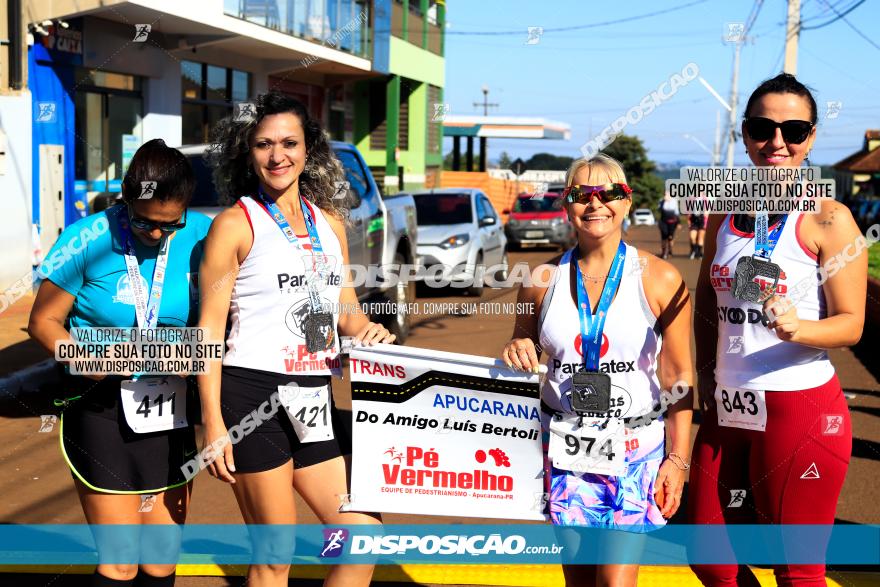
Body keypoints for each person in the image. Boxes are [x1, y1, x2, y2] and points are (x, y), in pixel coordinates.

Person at [198, 90, 391, 586]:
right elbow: (209, 330)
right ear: (249, 152)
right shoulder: (233, 224)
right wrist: (213, 423)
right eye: (264, 144)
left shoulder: (328, 221)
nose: (277, 155)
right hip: (250, 396)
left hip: (313, 394)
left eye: (289, 142)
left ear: (309, 150)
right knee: (275, 556)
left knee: (362, 536)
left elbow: (344, 308)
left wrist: (368, 329)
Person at [689, 73, 865, 586]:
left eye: (794, 129)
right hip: (728, 406)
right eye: (763, 127)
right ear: (744, 134)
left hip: (800, 408)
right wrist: (704, 376)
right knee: (710, 557)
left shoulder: (830, 219)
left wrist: (799, 327)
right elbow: (706, 298)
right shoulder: (724, 212)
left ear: (811, 137)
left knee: (797, 571)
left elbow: (851, 325)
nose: (777, 142)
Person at [502, 154, 694, 587]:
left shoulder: (661, 280)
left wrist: (678, 460)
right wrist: (518, 346)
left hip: (635, 446)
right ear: (566, 205)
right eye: (581, 194)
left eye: (609, 193)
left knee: (616, 580)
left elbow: (680, 376)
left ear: (627, 203)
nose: (596, 204)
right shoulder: (539, 280)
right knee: (580, 579)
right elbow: (524, 346)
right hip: (564, 447)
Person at [28, 139, 212, 586]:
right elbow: (43, 321)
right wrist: (81, 356)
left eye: (170, 225)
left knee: (160, 562)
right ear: (125, 200)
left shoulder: (203, 236)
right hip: (101, 405)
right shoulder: (87, 238)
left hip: (171, 409)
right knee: (121, 562)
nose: (156, 235)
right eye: (145, 222)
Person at [658, 193, 680, 259]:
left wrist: (679, 222)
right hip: (663, 221)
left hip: (672, 222)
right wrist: (663, 201)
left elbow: (676, 212)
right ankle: (664, 252)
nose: (666, 195)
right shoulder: (661, 201)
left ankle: (670, 251)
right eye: (665, 193)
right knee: (664, 237)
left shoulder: (674, 201)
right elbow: (659, 210)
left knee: (670, 237)